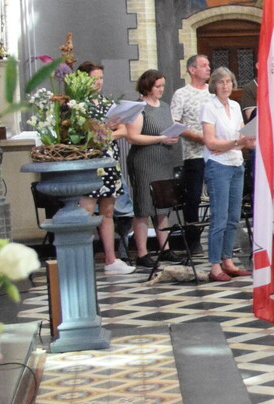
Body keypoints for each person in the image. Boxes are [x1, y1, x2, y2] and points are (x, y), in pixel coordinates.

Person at [76, 61, 135, 275]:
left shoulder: (106, 103)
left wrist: (104, 132)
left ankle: (111, 259)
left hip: (109, 161)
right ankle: (82, 258)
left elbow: (123, 131)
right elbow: (84, 135)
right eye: (95, 78)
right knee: (87, 211)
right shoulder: (78, 104)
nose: (99, 82)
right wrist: (104, 131)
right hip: (90, 163)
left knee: (108, 211)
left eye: (101, 78)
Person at [201, 66, 255, 282]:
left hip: (236, 162)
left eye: (229, 82)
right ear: (214, 85)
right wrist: (234, 143)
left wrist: (241, 142)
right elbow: (211, 142)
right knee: (220, 217)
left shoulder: (235, 105)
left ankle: (228, 260)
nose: (225, 86)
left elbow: (243, 138)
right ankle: (215, 265)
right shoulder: (209, 107)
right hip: (219, 165)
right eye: (221, 82)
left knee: (233, 216)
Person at [126, 69, 181, 268]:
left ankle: (165, 249)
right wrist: (160, 138)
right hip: (144, 161)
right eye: (157, 86)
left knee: (162, 206)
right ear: (147, 86)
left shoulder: (164, 106)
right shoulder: (139, 108)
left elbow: (168, 128)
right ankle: (142, 253)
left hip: (163, 160)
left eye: (162, 86)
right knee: (144, 206)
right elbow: (133, 137)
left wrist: (173, 136)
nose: (161, 89)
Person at [172, 55, 214, 251]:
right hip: (194, 154)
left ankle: (219, 238)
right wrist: (197, 137)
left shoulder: (212, 93)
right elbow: (175, 123)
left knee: (218, 195)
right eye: (203, 65)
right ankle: (193, 240)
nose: (208, 68)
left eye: (208, 65)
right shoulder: (182, 94)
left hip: (216, 153)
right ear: (192, 69)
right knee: (194, 197)